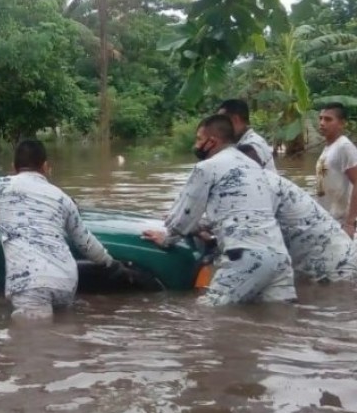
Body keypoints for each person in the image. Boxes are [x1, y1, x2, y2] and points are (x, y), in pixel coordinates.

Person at [142, 115, 296, 305]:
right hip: (279, 257)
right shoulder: (253, 167)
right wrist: (201, 227)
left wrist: (166, 239)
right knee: (280, 318)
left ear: (211, 141)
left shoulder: (207, 167)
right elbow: (238, 212)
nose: (196, 145)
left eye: (199, 139)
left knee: (207, 317)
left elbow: (184, 217)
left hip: (245, 257)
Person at [0, 139, 133, 320]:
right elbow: (86, 242)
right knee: (63, 337)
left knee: (33, 343)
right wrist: (111, 263)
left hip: (30, 282)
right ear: (46, 167)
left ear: (13, 167)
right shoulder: (63, 198)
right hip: (66, 280)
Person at [237, 147, 357, 283]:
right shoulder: (267, 183)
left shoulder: (260, 187)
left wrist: (350, 222)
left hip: (332, 263)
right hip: (327, 253)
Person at [315, 101, 357, 236]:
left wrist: (350, 223)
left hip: (341, 222)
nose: (322, 123)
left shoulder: (344, 147)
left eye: (328, 119)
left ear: (341, 123)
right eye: (320, 118)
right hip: (327, 219)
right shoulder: (328, 148)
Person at [217, 98, 276, 171]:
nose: (219, 127)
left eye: (221, 122)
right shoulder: (246, 142)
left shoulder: (252, 146)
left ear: (235, 120)